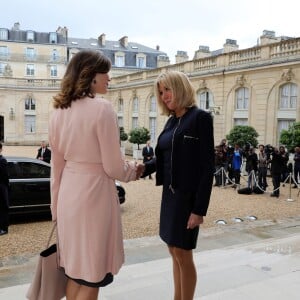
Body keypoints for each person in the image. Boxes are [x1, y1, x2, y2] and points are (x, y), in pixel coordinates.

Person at [48, 50, 144, 300]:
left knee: (74, 273)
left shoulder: (58, 112)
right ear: (90, 75)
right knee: (92, 276)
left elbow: (55, 170)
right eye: (105, 72)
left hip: (68, 197)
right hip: (93, 198)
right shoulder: (102, 109)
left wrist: (55, 208)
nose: (109, 77)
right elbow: (113, 167)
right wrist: (134, 169)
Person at [141, 71, 214, 300]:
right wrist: (143, 168)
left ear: (180, 88)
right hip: (169, 197)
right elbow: (164, 157)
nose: (164, 96)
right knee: (173, 251)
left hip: (187, 199)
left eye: (167, 90)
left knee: (183, 253)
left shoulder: (200, 118)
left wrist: (199, 210)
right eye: (161, 92)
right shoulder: (172, 120)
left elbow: (207, 167)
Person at [0, 142, 9, 236]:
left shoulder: (2, 160)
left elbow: (5, 176)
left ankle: (4, 228)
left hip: (1, 187)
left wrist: (5, 187)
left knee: (3, 208)